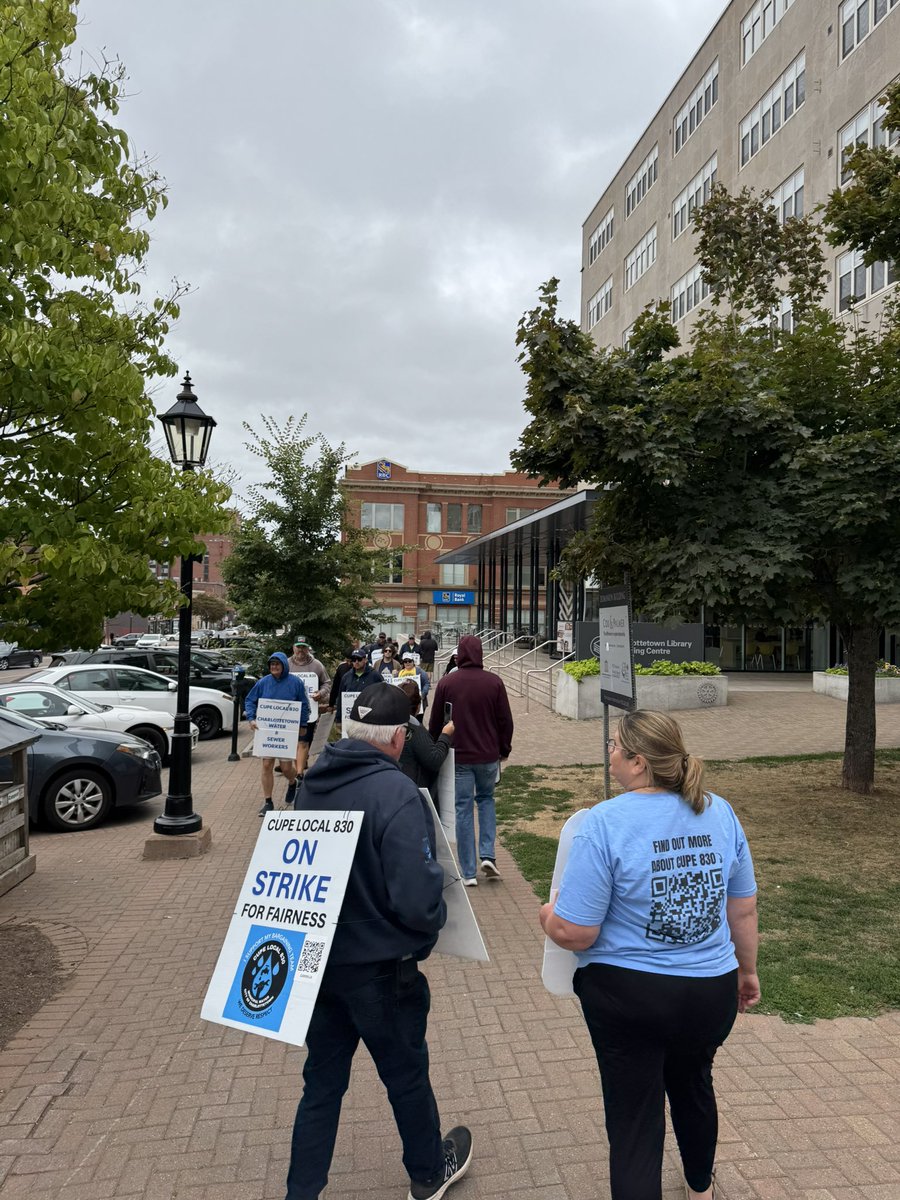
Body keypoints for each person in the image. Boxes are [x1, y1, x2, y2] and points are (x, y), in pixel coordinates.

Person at [540, 710, 760, 1200]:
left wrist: (546, 916)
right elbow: (742, 908)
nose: (610, 753)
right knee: (693, 1085)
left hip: (628, 999)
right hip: (710, 992)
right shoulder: (719, 812)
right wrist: (747, 971)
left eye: (615, 745)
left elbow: (575, 933)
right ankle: (700, 1186)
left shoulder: (603, 823)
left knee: (635, 1121)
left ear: (638, 762)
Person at [285, 683, 473, 1200]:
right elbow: (416, 898)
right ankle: (429, 1174)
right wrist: (431, 927)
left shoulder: (311, 785)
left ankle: (301, 1191)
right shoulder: (395, 793)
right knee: (406, 1075)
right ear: (396, 737)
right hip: (381, 970)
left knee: (321, 1084)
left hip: (319, 961)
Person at [428, 635, 513, 887]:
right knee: (486, 801)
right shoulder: (494, 683)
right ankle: (488, 855)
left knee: (463, 809)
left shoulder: (447, 683)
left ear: (459, 655)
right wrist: (504, 748)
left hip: (459, 756)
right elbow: (505, 720)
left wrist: (436, 746)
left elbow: (435, 721)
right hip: (488, 756)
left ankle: (468, 871)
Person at [243, 652, 310, 816]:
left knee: (286, 768)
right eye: (271, 664)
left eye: (277, 664)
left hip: (286, 731)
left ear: (283, 666)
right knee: (266, 765)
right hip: (266, 731)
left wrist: (302, 724)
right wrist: (251, 718)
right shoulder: (263, 683)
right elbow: (250, 700)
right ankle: (268, 801)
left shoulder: (295, 683)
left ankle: (293, 782)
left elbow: (303, 704)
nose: (274, 667)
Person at [397, 678, 453, 791]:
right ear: (418, 706)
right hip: (414, 791)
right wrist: (445, 735)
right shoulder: (414, 731)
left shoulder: (386, 724)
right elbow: (434, 760)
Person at [287, 638, 331, 778]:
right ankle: (297, 767)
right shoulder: (286, 664)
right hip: (290, 711)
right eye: (298, 647)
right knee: (294, 741)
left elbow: (327, 683)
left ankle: (299, 771)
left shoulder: (317, 665)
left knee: (304, 740)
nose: (300, 650)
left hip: (308, 711)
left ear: (308, 648)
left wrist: (321, 693)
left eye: (303, 647)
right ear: (293, 647)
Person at [336, 648, 382, 727]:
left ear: (365, 660)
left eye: (359, 659)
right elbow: (340, 698)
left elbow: (382, 695)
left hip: (370, 719)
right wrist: (339, 718)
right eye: (354, 659)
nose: (356, 662)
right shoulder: (346, 677)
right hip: (350, 718)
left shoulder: (375, 676)